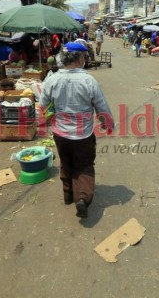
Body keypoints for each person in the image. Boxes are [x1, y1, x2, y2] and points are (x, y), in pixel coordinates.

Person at [40, 42, 114, 219]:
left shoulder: (52, 79)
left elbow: (43, 106)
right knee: (84, 165)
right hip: (83, 134)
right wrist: (107, 123)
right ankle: (82, 198)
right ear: (80, 58)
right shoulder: (89, 80)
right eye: (84, 56)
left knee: (66, 163)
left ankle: (68, 195)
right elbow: (101, 106)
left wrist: (51, 118)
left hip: (60, 133)